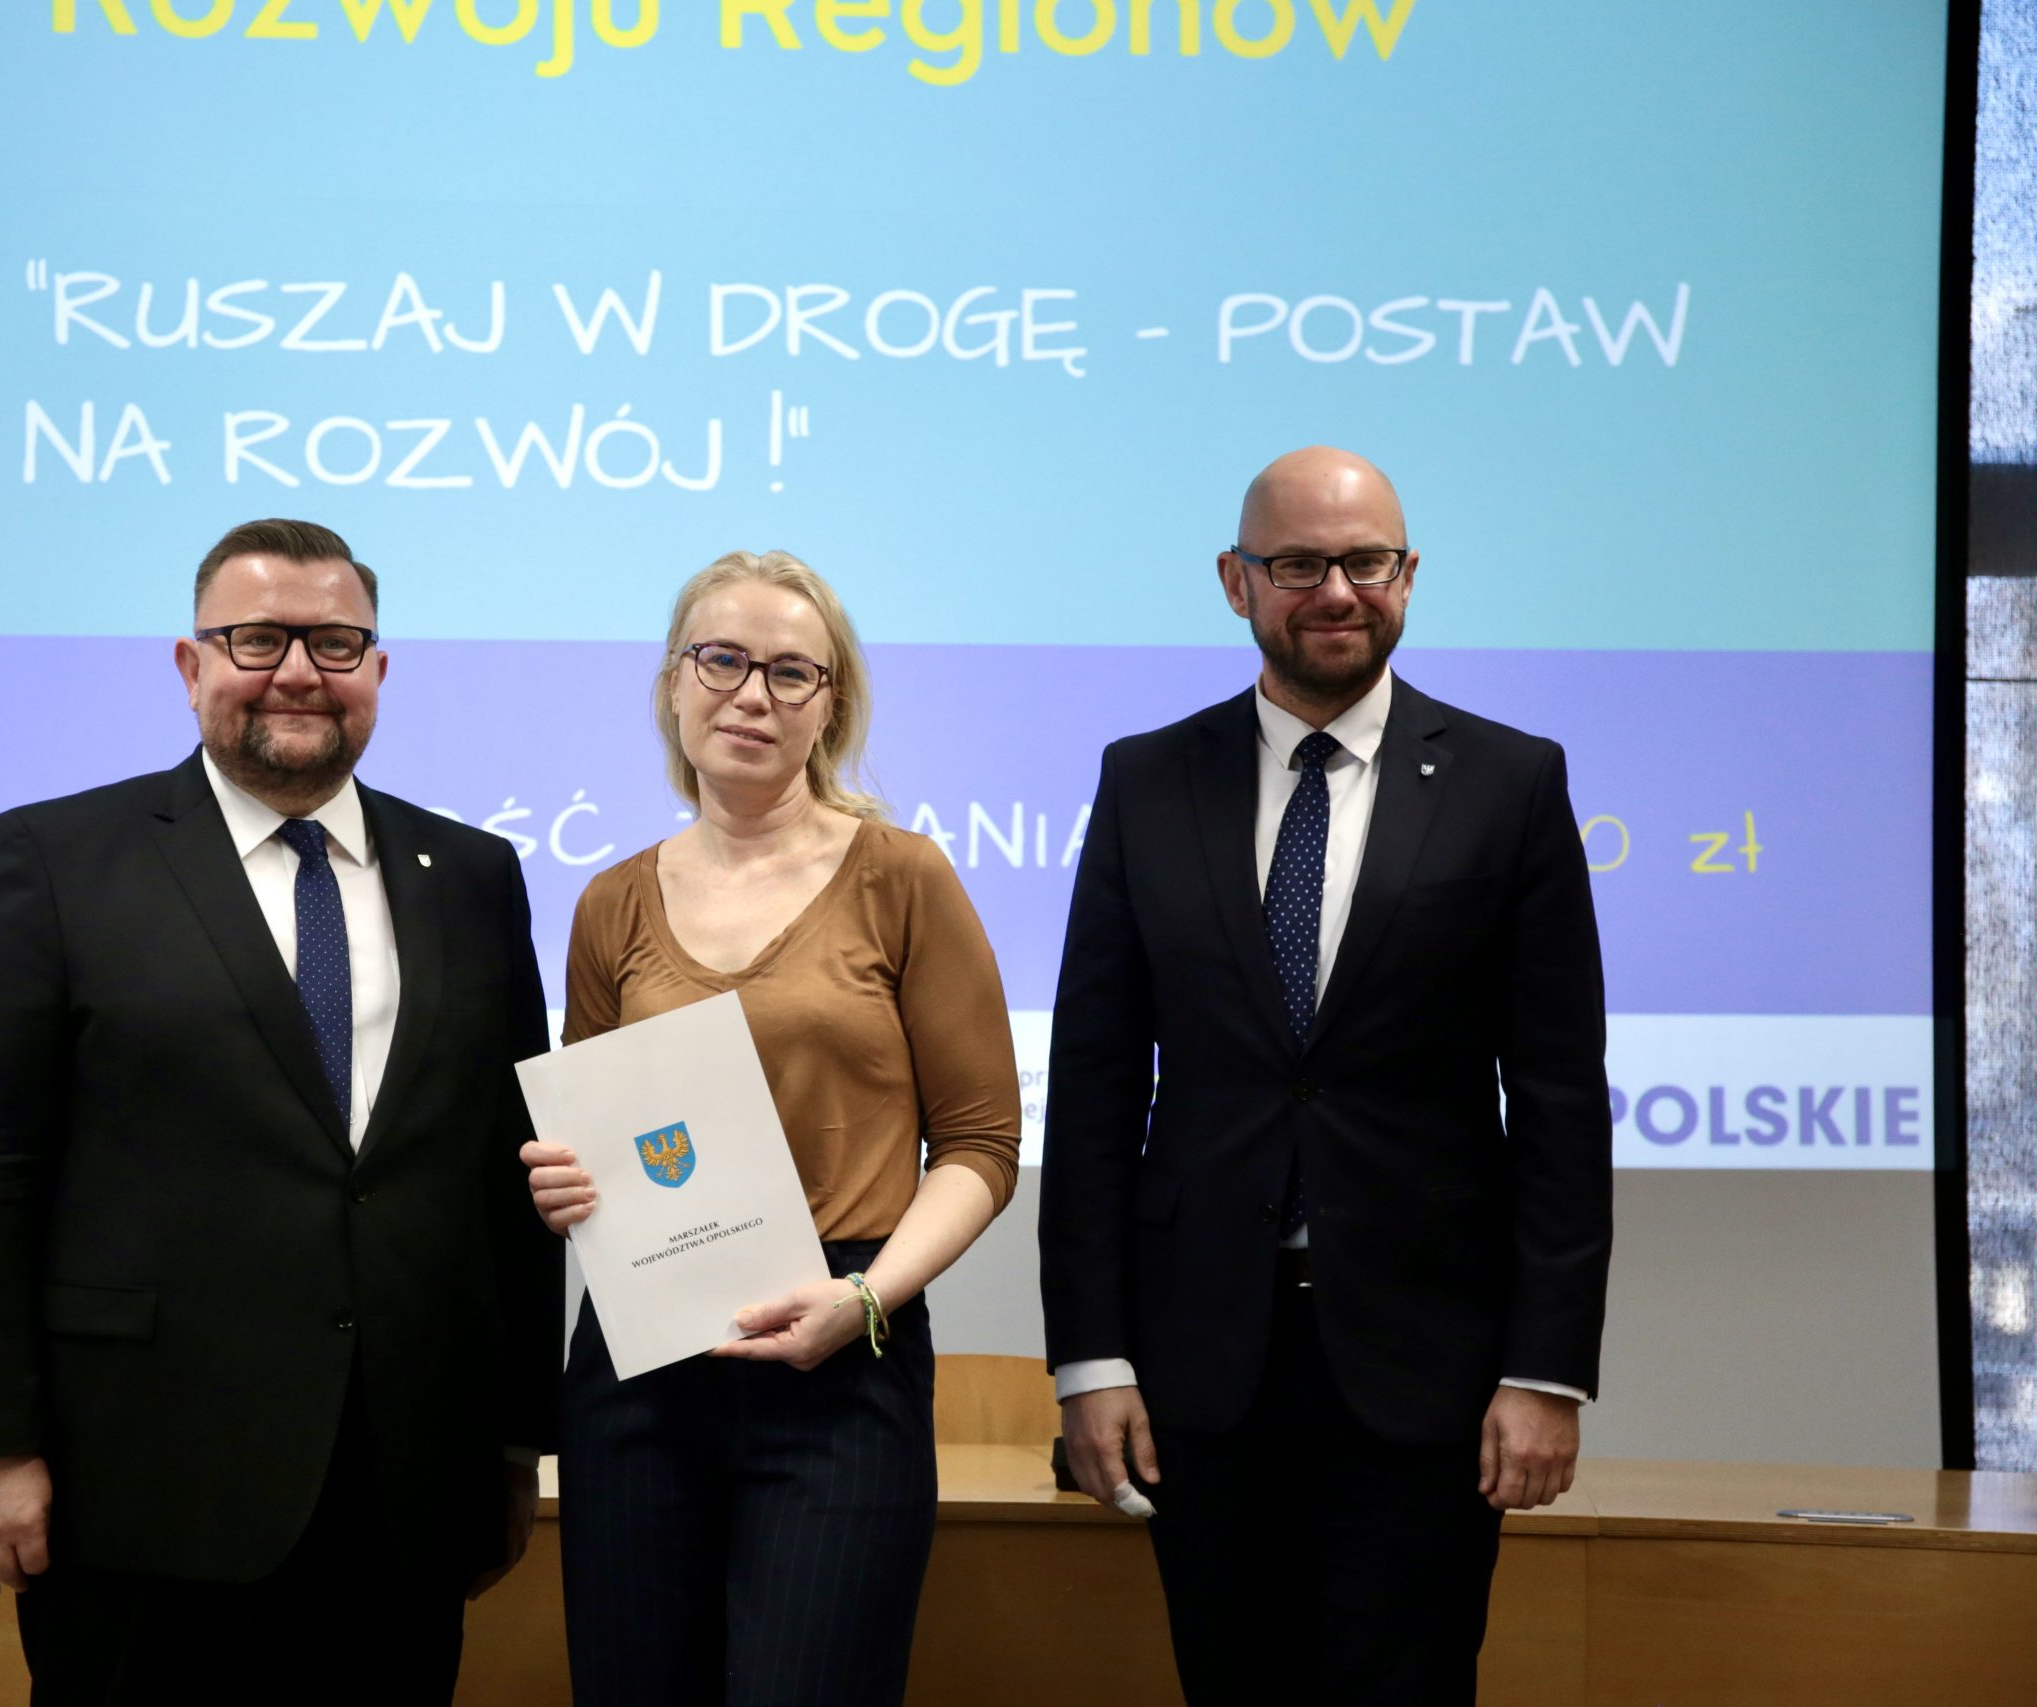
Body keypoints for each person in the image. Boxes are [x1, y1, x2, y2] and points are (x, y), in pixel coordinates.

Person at [0, 518, 561, 1705]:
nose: (299, 671)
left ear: (377, 669)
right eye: (258, 639)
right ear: (190, 663)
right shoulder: (58, 859)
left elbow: (505, 1173)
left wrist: (513, 1444)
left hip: (406, 1491)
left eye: (335, 643)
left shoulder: (469, 877)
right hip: (140, 1488)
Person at [1039, 448, 1614, 1706]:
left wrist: (1544, 1372)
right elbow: (1092, 1091)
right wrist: (1089, 1361)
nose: (1336, 592)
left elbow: (1561, 1103)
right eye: (1297, 564)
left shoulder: (1511, 782)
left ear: (1408, 575)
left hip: (1427, 1370)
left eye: (1365, 562)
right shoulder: (1146, 780)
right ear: (1235, 582)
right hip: (1198, 1368)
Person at [520, 550, 1023, 1707]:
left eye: (791, 672)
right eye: (722, 660)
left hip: (845, 1352)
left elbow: (981, 1145)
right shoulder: (609, 902)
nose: (752, 694)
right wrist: (564, 1187)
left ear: (829, 705)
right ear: (672, 683)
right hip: (641, 1371)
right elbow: (601, 1137)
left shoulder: (903, 877)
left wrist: (866, 1299)